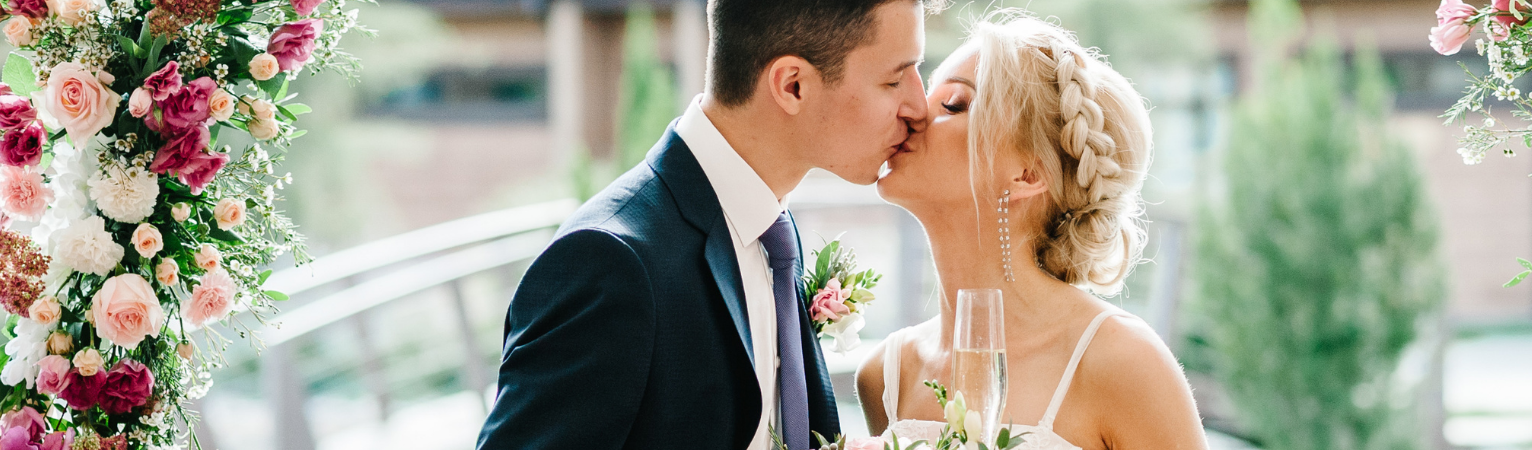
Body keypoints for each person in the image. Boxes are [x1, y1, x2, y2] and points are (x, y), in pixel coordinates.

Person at [475, 0, 937, 449]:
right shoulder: (610, 262)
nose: (920, 106)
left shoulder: (773, 231)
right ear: (792, 85)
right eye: (895, 80)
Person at [858, 11, 1209, 450]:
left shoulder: (1123, 363)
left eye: (953, 105)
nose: (912, 113)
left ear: (1027, 173)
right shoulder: (887, 375)